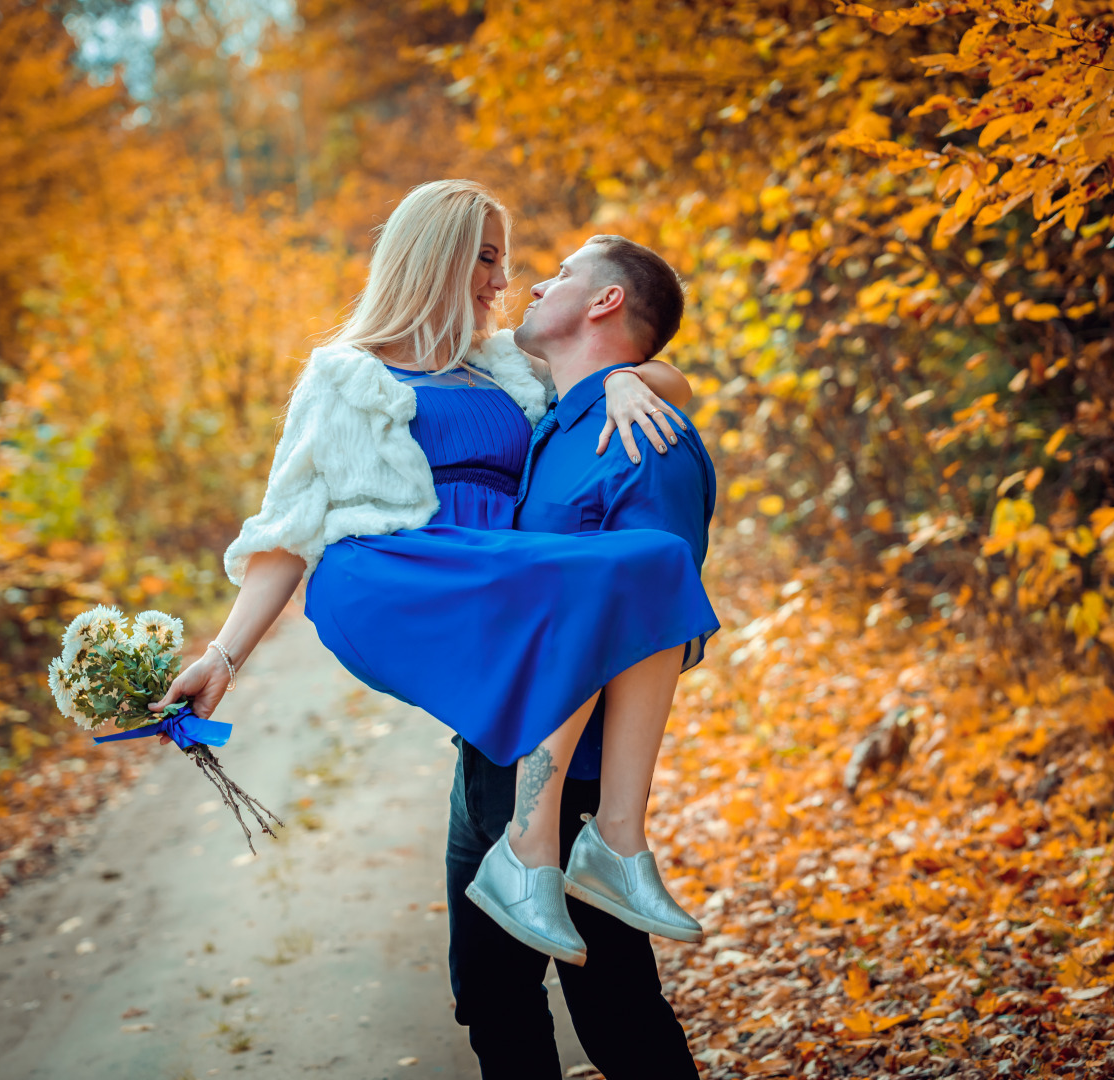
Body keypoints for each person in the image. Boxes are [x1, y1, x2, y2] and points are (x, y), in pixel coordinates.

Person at [148, 179, 717, 971]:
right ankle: (543, 850)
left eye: (506, 262)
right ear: (435, 256)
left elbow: (644, 369)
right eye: (487, 258)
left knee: (653, 563)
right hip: (397, 570)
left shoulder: (504, 367)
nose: (502, 280)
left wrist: (631, 378)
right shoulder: (345, 374)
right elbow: (286, 530)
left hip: (499, 581)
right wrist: (225, 656)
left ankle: (587, 847)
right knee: (605, 583)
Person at [444, 234, 712, 1079]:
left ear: (604, 303)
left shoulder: (642, 435)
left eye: (562, 273)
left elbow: (658, 618)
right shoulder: (557, 420)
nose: (534, 284)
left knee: (617, 1012)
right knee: (492, 1000)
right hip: (487, 760)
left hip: (573, 780)